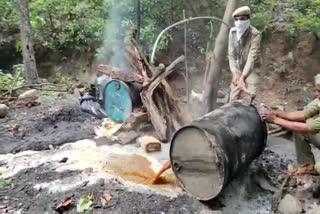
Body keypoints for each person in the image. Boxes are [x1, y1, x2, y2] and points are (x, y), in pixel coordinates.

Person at [262, 74, 320, 166]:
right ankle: (307, 165)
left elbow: (305, 128)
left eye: (319, 91)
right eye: (316, 90)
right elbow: (302, 114)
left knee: (299, 129)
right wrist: (276, 113)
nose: (316, 94)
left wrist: (274, 119)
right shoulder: (318, 101)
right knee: (298, 130)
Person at [228, 6, 262, 102]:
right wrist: (234, 73)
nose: (239, 22)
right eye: (236, 19)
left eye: (242, 19)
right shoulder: (232, 32)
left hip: (252, 69)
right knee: (233, 97)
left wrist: (243, 78)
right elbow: (231, 55)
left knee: (250, 97)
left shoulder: (255, 34)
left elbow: (252, 58)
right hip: (238, 68)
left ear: (248, 19)